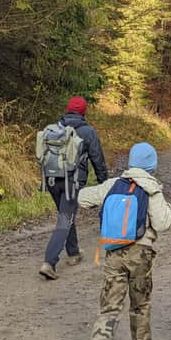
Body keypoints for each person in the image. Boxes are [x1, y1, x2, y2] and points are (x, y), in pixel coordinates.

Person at [74, 143, 171, 340]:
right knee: (140, 304)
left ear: (130, 162)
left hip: (114, 253)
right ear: (152, 165)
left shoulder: (114, 184)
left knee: (109, 308)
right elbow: (163, 224)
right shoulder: (152, 188)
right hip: (141, 253)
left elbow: (83, 198)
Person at [39, 96, 108, 280]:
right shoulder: (88, 132)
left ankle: (74, 252)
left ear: (67, 109)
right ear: (84, 111)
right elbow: (98, 160)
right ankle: (49, 262)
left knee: (66, 214)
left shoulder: (55, 128)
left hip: (52, 179)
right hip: (72, 182)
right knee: (64, 218)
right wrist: (104, 184)